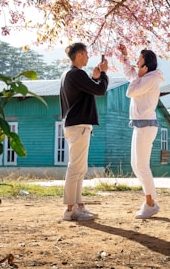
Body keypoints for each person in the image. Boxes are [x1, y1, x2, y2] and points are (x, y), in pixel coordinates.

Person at [60, 43, 109, 221]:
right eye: (86, 54)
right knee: (76, 167)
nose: (88, 57)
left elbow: (90, 89)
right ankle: (70, 209)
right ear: (80, 55)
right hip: (79, 125)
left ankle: (78, 206)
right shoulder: (76, 74)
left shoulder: (68, 74)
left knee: (80, 167)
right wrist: (103, 74)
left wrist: (95, 78)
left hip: (74, 125)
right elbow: (100, 90)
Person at [117, 43, 164, 219]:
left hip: (145, 126)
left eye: (139, 60)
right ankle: (150, 202)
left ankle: (151, 204)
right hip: (140, 125)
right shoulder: (145, 77)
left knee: (142, 166)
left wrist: (139, 77)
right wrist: (124, 56)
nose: (136, 63)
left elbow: (130, 91)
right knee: (136, 165)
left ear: (146, 65)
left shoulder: (150, 79)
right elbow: (131, 75)